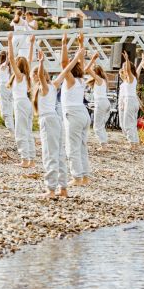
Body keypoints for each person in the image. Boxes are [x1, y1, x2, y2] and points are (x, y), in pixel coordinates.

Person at [31, 48, 80, 199]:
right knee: (59, 154)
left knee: (50, 154)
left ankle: (51, 190)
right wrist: (77, 57)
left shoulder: (44, 86)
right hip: (56, 120)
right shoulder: (54, 84)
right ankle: (63, 188)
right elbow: (66, 70)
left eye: (33, 76)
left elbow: (40, 75)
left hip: (48, 120)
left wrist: (40, 63)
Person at [61, 32, 91, 186]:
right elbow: (81, 61)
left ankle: (77, 177)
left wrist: (64, 44)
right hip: (84, 114)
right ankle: (85, 176)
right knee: (82, 146)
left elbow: (65, 63)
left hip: (74, 114)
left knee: (72, 147)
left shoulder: (71, 80)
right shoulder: (81, 79)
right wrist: (81, 44)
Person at [7, 31, 36, 168]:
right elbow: (29, 59)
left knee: (20, 131)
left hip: (20, 103)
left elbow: (11, 58)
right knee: (28, 131)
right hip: (27, 103)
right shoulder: (27, 76)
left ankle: (25, 159)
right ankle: (31, 159)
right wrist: (31, 43)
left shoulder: (19, 76)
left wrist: (9, 41)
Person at [86, 54, 111, 145]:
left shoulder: (99, 79)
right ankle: (104, 143)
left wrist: (92, 59)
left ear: (95, 73)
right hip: (105, 102)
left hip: (101, 103)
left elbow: (87, 69)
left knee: (96, 126)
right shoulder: (102, 80)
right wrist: (93, 62)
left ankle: (103, 144)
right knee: (101, 125)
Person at [118, 52, 140, 147]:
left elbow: (127, 69)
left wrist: (126, 59)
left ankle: (132, 143)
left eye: (124, 67)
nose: (123, 69)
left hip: (130, 101)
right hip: (130, 100)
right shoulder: (129, 79)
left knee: (128, 124)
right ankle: (134, 142)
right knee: (130, 123)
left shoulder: (131, 77)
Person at [0, 50, 14, 132]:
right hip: (9, 87)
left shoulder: (3, 66)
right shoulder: (9, 68)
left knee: (4, 109)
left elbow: (7, 61)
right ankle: (12, 128)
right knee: (9, 107)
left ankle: (11, 129)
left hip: (4, 87)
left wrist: (8, 54)